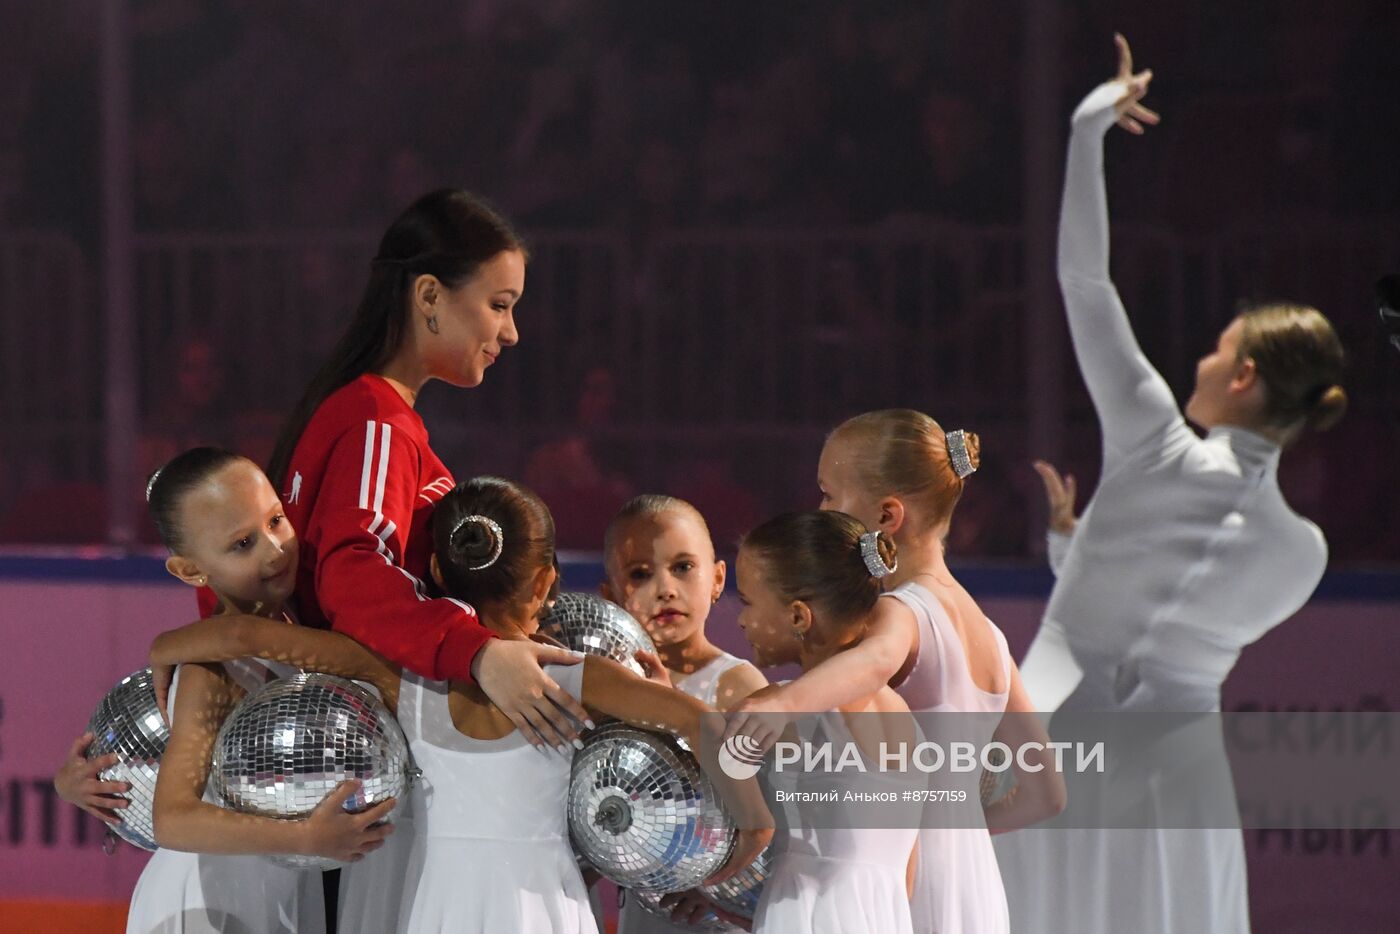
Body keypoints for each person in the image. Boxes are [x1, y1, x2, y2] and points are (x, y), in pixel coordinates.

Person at [993, 35, 1347, 934]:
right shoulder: (1302, 554)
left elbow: (1083, 281)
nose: (1199, 356)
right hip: (1178, 779)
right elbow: (1165, 626)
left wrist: (1086, 132)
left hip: (1059, 739)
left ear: (1245, 378)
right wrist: (1083, 547)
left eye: (1218, 349)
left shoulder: (1153, 440)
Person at [150, 475, 774, 933]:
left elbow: (247, 635)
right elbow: (707, 725)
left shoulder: (403, 679)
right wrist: (753, 829)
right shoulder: (581, 678)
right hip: (541, 911)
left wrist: (165, 645)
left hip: (439, 909)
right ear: (546, 584)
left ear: (440, 581)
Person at [178, 188, 590, 750]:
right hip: (354, 747)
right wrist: (480, 653)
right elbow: (355, 571)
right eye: (499, 304)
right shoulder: (376, 422)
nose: (511, 331)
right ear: (429, 295)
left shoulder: (355, 410)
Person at [724, 412, 1065, 933]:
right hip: (978, 889)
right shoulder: (989, 634)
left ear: (887, 516)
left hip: (901, 883)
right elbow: (1046, 793)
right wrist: (959, 829)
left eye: (829, 495)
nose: (820, 509)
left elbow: (875, 661)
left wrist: (782, 703)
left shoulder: (901, 612)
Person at [121, 448, 393, 934]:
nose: (274, 550)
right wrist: (304, 837)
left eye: (276, 520)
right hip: (206, 906)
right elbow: (173, 819)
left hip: (274, 892)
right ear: (190, 571)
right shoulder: (213, 670)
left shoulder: (285, 628)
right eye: (243, 543)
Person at [733, 511, 921, 934]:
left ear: (799, 617)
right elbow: (905, 877)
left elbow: (710, 803)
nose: (741, 619)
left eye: (747, 602)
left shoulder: (774, 709)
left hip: (804, 916)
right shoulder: (905, 719)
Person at [601, 494, 768, 932]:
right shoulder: (611, 689)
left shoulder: (739, 687)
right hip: (639, 915)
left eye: (682, 567)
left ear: (716, 579)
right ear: (611, 595)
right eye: (640, 574)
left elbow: (774, 824)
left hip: (713, 917)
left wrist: (713, 884)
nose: (664, 588)